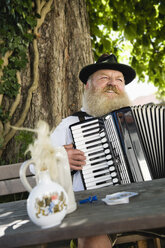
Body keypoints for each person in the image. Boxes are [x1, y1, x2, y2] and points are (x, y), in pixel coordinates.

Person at [51, 53, 136, 248]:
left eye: (119, 80)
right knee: (92, 239)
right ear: (88, 86)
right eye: (104, 78)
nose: (112, 83)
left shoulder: (138, 120)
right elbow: (35, 166)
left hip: (143, 205)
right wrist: (59, 158)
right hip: (95, 211)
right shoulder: (71, 124)